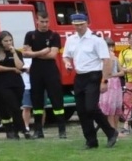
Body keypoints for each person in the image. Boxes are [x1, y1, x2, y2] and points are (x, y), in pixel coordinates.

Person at [60, 12, 118, 148]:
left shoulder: (96, 39)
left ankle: (110, 132)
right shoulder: (71, 39)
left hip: (94, 75)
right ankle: (91, 140)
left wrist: (104, 80)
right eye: (76, 25)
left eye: (81, 24)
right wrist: (67, 63)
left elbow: (106, 60)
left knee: (91, 108)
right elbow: (66, 56)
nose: (79, 27)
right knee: (81, 111)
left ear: (87, 23)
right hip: (80, 76)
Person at [21, 12, 65, 139]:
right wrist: (42, 51)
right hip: (36, 71)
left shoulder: (54, 35)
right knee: (37, 102)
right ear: (37, 21)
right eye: (42, 21)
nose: (45, 24)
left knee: (57, 100)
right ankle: (38, 131)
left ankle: (62, 131)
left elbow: (52, 55)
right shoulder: (30, 35)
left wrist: (33, 53)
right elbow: (25, 53)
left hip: (51, 71)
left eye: (47, 21)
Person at [0, 32, 27, 139]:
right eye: (6, 41)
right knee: (14, 107)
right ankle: (23, 130)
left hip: (17, 84)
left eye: (10, 40)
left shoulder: (17, 52)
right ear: (1, 42)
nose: (9, 43)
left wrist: (14, 53)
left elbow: (19, 66)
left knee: (17, 108)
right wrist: (12, 69)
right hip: (3, 84)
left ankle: (15, 132)